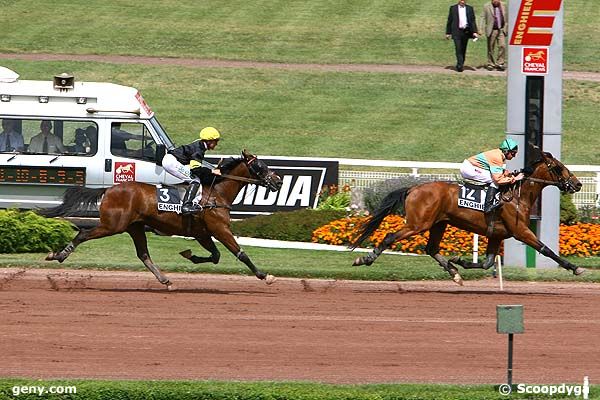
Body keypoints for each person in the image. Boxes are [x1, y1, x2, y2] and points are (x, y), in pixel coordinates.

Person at [161, 126, 222, 214]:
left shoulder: (200, 144)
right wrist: (212, 171)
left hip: (172, 160)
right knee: (195, 180)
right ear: (209, 141)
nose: (216, 144)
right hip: (171, 162)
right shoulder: (199, 150)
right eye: (215, 141)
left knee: (193, 177)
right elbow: (195, 169)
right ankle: (186, 206)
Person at [460, 138, 524, 213]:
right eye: (513, 153)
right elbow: (498, 179)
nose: (514, 156)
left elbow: (500, 172)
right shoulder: (497, 157)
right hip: (469, 169)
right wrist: (515, 179)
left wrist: (508, 175)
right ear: (506, 151)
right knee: (495, 181)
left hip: (472, 166)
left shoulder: (499, 154)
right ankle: (488, 206)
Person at [446, 0, 479, 72]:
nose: (462, 2)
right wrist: (448, 32)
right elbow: (450, 20)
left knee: (463, 48)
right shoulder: (453, 8)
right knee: (458, 48)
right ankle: (459, 65)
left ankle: (461, 62)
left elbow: (472, 21)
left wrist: (475, 32)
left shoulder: (470, 8)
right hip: (456, 31)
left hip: (466, 31)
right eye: (461, 0)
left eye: (464, 0)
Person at [481, 0, 507, 71]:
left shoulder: (504, 5)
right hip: (492, 30)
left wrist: (506, 27)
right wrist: (481, 29)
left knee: (503, 45)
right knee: (491, 47)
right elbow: (482, 17)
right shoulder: (486, 6)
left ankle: (500, 63)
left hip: (501, 29)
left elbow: (506, 17)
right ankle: (490, 63)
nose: (496, 1)